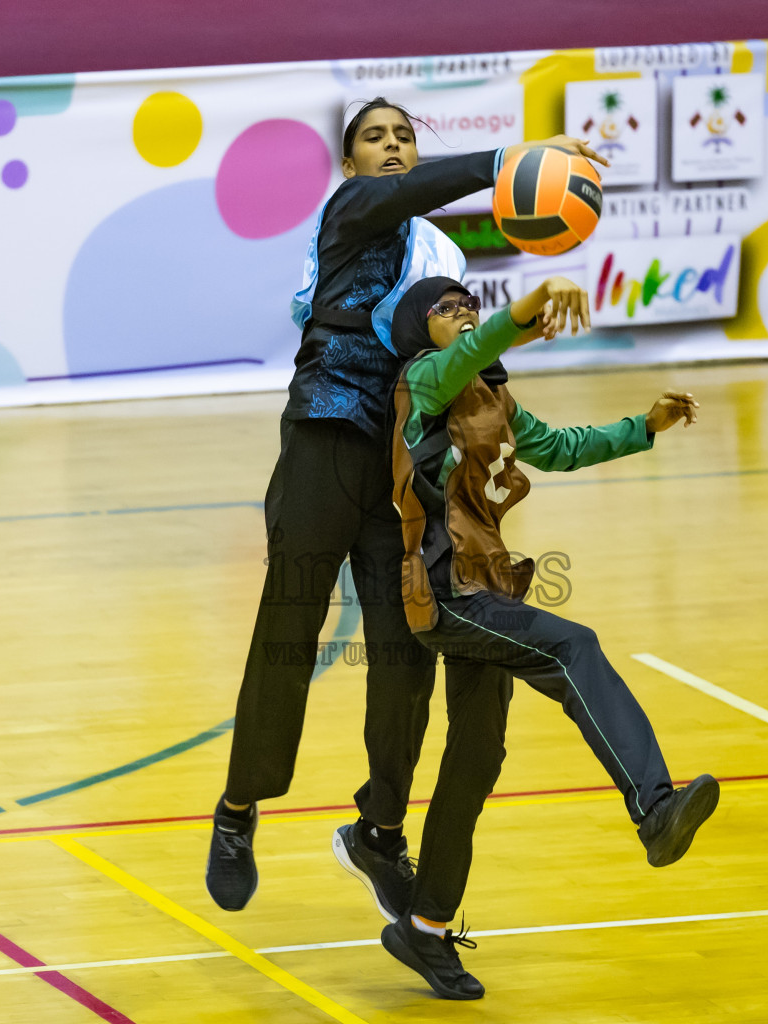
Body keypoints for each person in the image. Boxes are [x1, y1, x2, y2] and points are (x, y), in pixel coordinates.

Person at [205, 97, 607, 915]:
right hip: (320, 449)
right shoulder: (351, 211)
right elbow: (408, 194)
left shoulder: (439, 253)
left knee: (406, 650)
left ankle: (380, 829)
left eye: (403, 137)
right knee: (287, 633)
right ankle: (237, 810)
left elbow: (458, 352)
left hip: (397, 471)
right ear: (351, 163)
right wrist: (512, 163)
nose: (391, 148)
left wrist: (523, 329)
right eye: (374, 139)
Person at [367, 275, 719, 999]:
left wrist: (642, 427)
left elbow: (558, 448)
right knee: (572, 644)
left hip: (489, 585)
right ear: (417, 329)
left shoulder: (496, 399)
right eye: (446, 308)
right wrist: (527, 308)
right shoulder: (421, 383)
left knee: (475, 759)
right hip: (443, 592)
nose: (464, 313)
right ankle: (653, 808)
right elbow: (491, 338)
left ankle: (425, 928)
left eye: (471, 301)